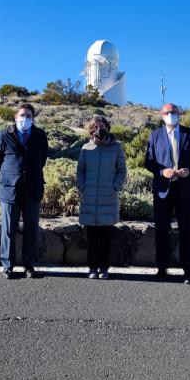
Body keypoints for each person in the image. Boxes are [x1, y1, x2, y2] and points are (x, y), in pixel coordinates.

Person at [145, 103, 190, 284]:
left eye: (173, 112)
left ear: (179, 114)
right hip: (163, 190)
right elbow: (149, 162)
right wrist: (162, 172)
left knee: (186, 230)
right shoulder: (155, 135)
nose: (170, 115)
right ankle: (162, 269)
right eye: (166, 112)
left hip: (185, 190)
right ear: (161, 115)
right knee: (162, 230)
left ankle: (188, 272)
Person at [0, 103, 48, 279]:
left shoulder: (39, 135)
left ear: (33, 118)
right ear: (15, 117)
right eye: (22, 115)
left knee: (31, 228)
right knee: (9, 229)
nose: (25, 118)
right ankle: (8, 265)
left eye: (28, 116)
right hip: (10, 189)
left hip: (32, 189)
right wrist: (9, 173)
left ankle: (29, 265)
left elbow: (43, 159)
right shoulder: (4, 135)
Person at [77, 115, 127, 280]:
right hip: (90, 197)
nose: (99, 129)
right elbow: (80, 171)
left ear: (107, 127)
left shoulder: (116, 147)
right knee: (92, 239)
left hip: (108, 197)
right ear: (91, 129)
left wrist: (115, 186)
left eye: (102, 126)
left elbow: (122, 170)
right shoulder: (86, 148)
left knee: (106, 239)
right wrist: (82, 186)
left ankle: (104, 268)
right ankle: (92, 268)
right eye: (96, 126)